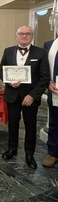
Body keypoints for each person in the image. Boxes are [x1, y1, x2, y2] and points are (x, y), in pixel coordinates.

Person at [0, 26, 50, 169]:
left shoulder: (41, 52)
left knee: (30, 125)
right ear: (17, 36)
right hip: (12, 95)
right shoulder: (8, 51)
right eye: (21, 33)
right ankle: (12, 149)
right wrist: (9, 82)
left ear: (32, 36)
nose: (24, 36)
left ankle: (29, 154)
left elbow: (45, 78)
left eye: (28, 34)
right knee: (13, 124)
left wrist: (33, 95)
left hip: (30, 97)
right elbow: (1, 71)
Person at [42, 38, 58, 167]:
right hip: (55, 90)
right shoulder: (49, 45)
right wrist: (48, 83)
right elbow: (43, 67)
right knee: (54, 122)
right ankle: (53, 153)